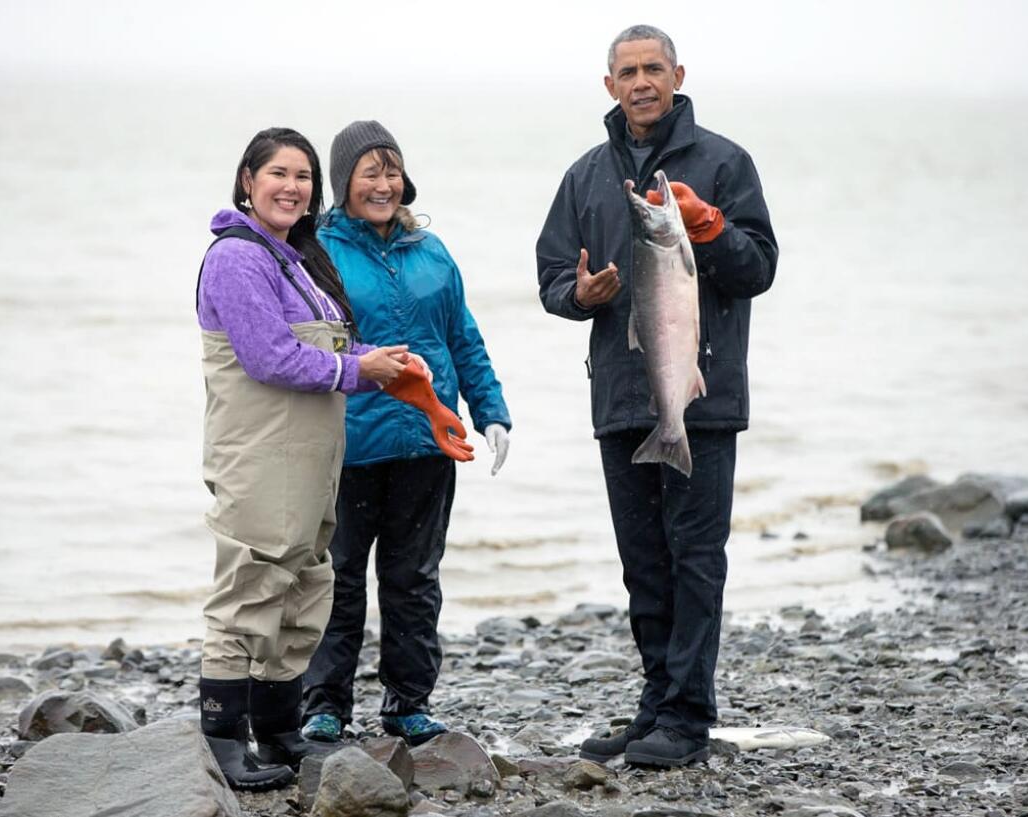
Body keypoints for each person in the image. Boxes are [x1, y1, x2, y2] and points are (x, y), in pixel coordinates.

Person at [536, 25, 778, 768]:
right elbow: (550, 278)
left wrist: (707, 229)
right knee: (643, 559)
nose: (641, 82)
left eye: (653, 69)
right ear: (609, 86)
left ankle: (688, 716)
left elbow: (759, 265)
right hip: (621, 399)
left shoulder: (724, 162)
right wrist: (578, 293)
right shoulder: (584, 176)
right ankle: (656, 705)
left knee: (695, 556)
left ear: (677, 75)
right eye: (627, 72)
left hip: (699, 401)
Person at [196, 126, 422, 790]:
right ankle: (222, 737)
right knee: (250, 585)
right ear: (247, 180)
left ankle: (278, 726)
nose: (292, 187)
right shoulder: (238, 258)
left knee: (303, 581)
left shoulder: (295, 257)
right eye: (278, 173)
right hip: (260, 455)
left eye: (303, 177)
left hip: (309, 458)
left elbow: (312, 350)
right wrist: (361, 367)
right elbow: (268, 356)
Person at [300, 120, 512, 746]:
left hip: (427, 442)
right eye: (371, 172)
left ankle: (407, 701)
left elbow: (463, 339)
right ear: (343, 184)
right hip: (348, 444)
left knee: (414, 578)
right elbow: (311, 346)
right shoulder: (318, 252)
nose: (385, 184)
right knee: (336, 579)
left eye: (392, 171)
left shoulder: (433, 252)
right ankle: (325, 704)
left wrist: (491, 409)